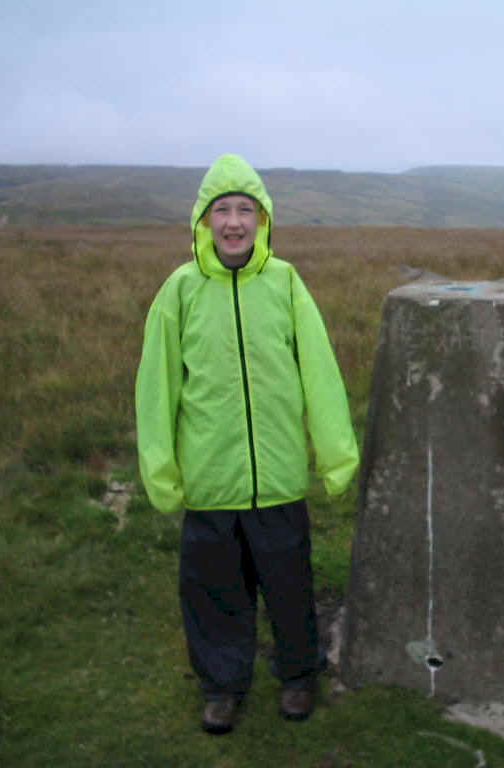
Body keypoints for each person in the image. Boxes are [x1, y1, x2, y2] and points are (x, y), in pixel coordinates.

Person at [135, 154, 359, 734]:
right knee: (214, 596)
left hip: (279, 478)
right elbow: (156, 388)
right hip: (210, 483)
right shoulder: (179, 291)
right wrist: (161, 472)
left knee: (289, 588)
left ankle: (299, 676)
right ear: (203, 221)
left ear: (263, 219)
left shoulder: (285, 283)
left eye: (245, 210)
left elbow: (320, 372)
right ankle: (222, 687)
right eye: (222, 210)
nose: (233, 222)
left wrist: (335, 455)